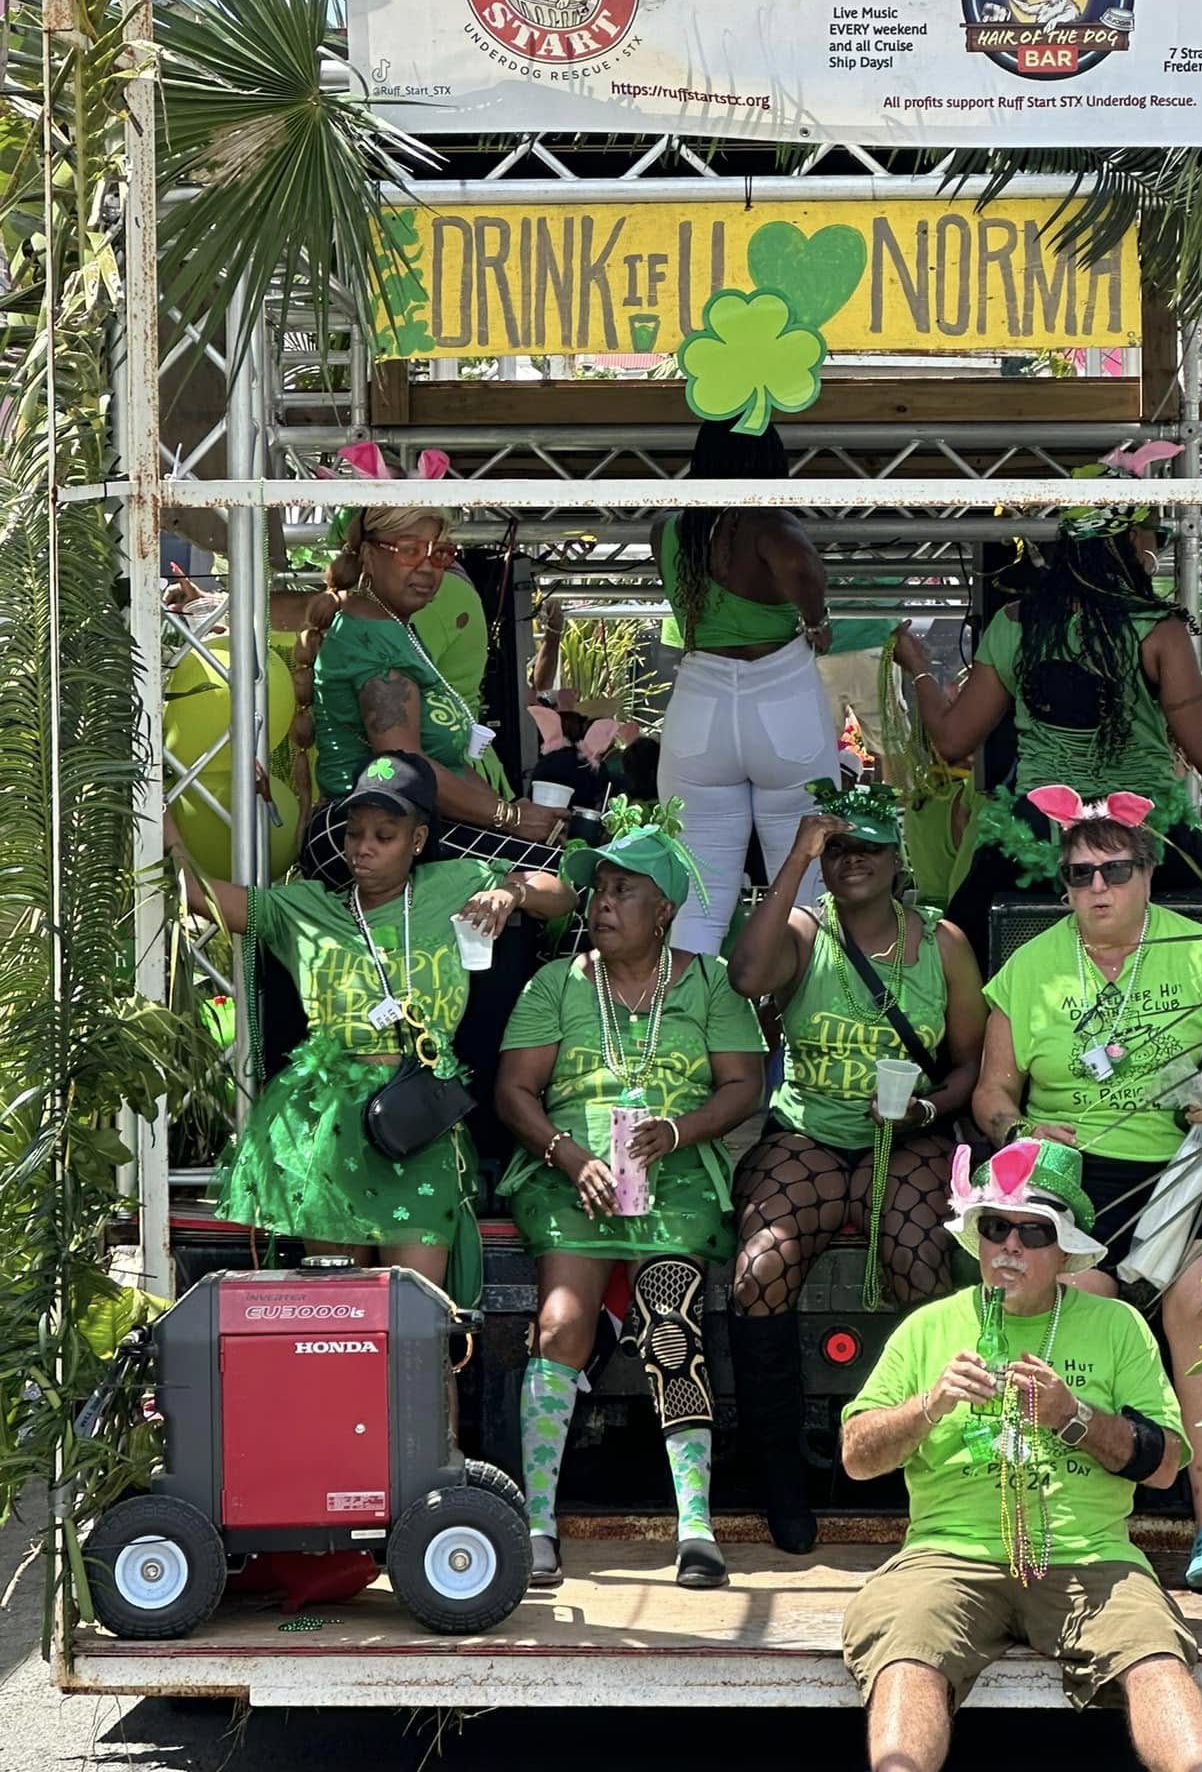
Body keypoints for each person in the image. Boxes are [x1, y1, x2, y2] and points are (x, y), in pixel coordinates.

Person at [842, 1140, 1202, 1772]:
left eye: (1033, 1231)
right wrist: (928, 1405)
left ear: (1064, 1249)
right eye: (996, 1227)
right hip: (948, 1558)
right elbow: (856, 1456)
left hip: (1090, 1558)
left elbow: (1165, 1463)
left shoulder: (1116, 1325)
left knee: (1154, 1656)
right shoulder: (929, 1326)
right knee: (906, 1651)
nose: (1010, 1246)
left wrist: (1074, 1418)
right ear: (977, 1238)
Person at [972, 788, 1202, 1595]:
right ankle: (1057, 1526)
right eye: (1078, 873)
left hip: (1189, 1169)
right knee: (1061, 1299)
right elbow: (992, 1091)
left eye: (1115, 870)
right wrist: (1017, 1132)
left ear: (1147, 872)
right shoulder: (1029, 968)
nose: (1096, 887)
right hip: (1071, 1176)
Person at [167, 753, 575, 1301]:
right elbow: (197, 894)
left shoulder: (454, 882)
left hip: (420, 1120)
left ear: (418, 839)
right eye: (355, 833)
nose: (363, 847)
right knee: (338, 1307)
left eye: (384, 834)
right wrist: (156, 807)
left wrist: (512, 892)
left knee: (422, 1313)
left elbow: (565, 894)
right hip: (330, 1124)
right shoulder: (304, 908)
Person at [494, 808, 766, 1591]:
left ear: (666, 911)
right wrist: (569, 1155)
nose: (602, 903)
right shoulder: (559, 982)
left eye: (623, 890)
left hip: (674, 1181)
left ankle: (695, 1528)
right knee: (561, 1322)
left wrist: (678, 1132)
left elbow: (743, 1084)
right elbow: (515, 1091)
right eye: (598, 890)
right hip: (570, 1178)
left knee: (671, 1321)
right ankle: (537, 1523)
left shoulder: (708, 982)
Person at [726, 782, 988, 1553]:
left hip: (911, 1134)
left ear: (897, 857)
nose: (852, 862)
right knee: (757, 1271)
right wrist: (798, 859)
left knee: (917, 1258)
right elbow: (746, 976)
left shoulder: (943, 944)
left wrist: (929, 1111)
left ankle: (928, 1475)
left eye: (868, 847)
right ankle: (780, 1482)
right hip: (811, 1132)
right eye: (839, 850)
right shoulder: (806, 931)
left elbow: (970, 1062)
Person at [892, 495, 1202, 974]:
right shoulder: (1158, 632)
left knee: (961, 955)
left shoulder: (1014, 626)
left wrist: (918, 669)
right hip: (1143, 831)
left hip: (1035, 835)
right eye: (1156, 536)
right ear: (1130, 540)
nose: (1160, 548)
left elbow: (952, 741)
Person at [289, 504, 568, 889]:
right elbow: (405, 764)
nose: (427, 567)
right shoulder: (372, 637)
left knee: (565, 871)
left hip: (399, 825)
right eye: (409, 551)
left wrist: (512, 815)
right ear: (368, 555)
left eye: (439, 554)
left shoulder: (395, 627)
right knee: (566, 878)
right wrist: (509, 819)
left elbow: (445, 761)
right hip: (363, 833)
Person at [652, 422, 842, 954]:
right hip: (782, 697)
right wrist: (816, 618)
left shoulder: (668, 529)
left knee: (699, 894)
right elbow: (798, 560)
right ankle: (804, 1027)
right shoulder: (767, 519)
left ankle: (685, 1030)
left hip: (699, 704)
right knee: (805, 890)